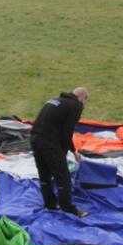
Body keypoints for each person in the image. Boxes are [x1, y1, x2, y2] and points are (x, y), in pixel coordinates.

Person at [30, 87, 89, 218]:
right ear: (82, 98)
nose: (83, 105)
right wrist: (62, 155)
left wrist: (73, 151)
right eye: (85, 102)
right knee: (63, 177)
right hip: (48, 141)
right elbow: (67, 132)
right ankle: (67, 208)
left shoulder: (55, 101)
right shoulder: (76, 106)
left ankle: (49, 203)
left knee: (44, 174)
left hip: (34, 138)